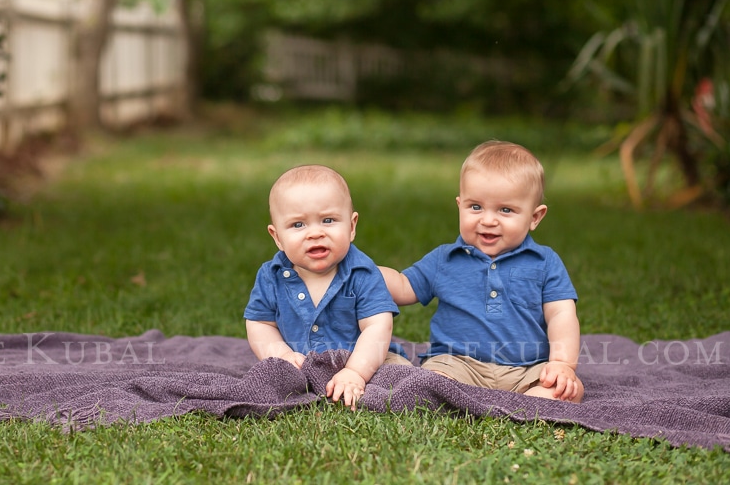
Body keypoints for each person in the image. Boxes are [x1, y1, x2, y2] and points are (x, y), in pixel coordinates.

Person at [380, 141, 584, 402]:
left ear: (535, 217)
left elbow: (561, 314)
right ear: (459, 205)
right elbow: (403, 285)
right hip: (458, 365)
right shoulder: (445, 259)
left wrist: (563, 364)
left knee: (566, 390)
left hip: (528, 369)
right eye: (475, 207)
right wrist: (365, 273)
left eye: (505, 210)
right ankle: (471, 399)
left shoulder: (545, 262)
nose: (488, 220)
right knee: (429, 382)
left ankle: (526, 402)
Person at [244, 164, 407, 410]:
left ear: (351, 227)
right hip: (300, 364)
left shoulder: (362, 273)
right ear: (277, 237)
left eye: (328, 220)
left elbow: (377, 326)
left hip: (365, 359)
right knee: (266, 379)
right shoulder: (271, 276)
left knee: (401, 379)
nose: (315, 233)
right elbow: (260, 324)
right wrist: (283, 356)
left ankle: (360, 382)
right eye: (298, 225)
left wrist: (355, 371)